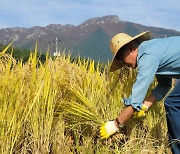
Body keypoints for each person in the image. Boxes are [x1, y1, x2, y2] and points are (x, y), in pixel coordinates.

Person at [100, 31, 180, 154]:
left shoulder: (147, 57)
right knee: (173, 102)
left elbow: (135, 100)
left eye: (122, 59)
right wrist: (146, 105)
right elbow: (165, 85)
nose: (125, 65)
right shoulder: (152, 52)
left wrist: (115, 124)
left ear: (131, 49)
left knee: (173, 103)